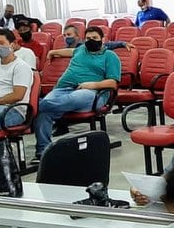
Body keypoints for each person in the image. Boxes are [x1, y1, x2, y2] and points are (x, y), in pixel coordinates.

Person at [33, 26, 120, 160]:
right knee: (44, 112)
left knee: (54, 103)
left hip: (91, 92)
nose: (91, 41)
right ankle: (42, 151)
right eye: (88, 38)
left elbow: (113, 83)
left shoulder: (110, 56)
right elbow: (70, 51)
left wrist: (92, 84)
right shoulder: (81, 49)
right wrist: (54, 51)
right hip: (62, 90)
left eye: (95, 38)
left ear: (103, 39)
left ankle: (32, 106)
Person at [0, 29, 32, 129]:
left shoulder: (21, 67)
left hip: (12, 110)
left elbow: (17, 96)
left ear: (12, 45)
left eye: (1, 43)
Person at [61, 25, 130, 52]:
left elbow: (107, 45)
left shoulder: (86, 45)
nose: (66, 37)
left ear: (77, 36)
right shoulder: (64, 49)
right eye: (64, 35)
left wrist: (122, 43)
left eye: (69, 34)